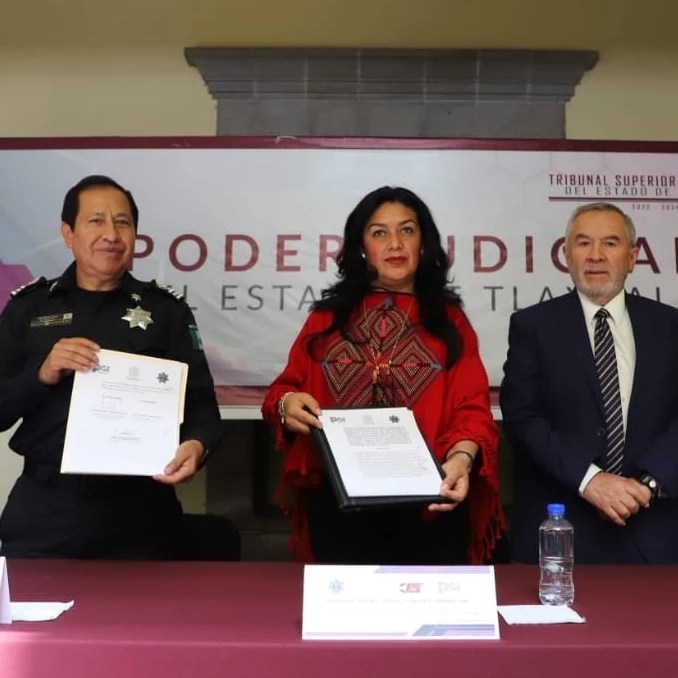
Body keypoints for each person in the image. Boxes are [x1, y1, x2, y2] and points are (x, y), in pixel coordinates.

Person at [262, 186, 504, 565]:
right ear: (361, 247)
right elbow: (283, 391)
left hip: (431, 501)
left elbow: (472, 410)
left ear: (423, 243)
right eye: (379, 233)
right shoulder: (327, 319)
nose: (395, 243)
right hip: (340, 504)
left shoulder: (450, 322)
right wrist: (287, 405)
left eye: (407, 230)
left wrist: (461, 459)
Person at [0, 175, 224, 559]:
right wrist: (41, 374)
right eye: (96, 221)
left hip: (141, 514)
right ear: (68, 234)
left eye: (123, 223)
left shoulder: (166, 311)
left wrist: (197, 445)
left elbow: (202, 405)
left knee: (145, 601)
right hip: (46, 511)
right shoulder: (29, 308)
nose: (111, 234)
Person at [501, 202, 678, 564]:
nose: (596, 255)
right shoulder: (533, 326)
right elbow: (522, 417)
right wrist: (591, 480)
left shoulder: (670, 327)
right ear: (567, 256)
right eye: (583, 243)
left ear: (632, 257)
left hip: (655, 532)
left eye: (610, 243)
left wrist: (647, 485)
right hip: (561, 530)